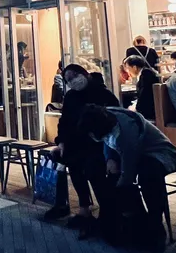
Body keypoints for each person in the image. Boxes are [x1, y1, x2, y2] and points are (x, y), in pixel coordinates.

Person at [80, 105, 176, 251]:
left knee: (148, 176)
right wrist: (110, 159)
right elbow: (108, 141)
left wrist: (120, 184)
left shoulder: (127, 130)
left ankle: (156, 227)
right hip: (136, 155)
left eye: (92, 134)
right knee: (96, 168)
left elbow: (128, 170)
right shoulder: (106, 118)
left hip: (160, 153)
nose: (91, 137)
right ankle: (128, 224)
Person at [42, 63, 119, 228]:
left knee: (94, 171)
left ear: (84, 74)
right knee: (71, 165)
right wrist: (61, 143)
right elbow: (64, 123)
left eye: (75, 76)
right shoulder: (70, 97)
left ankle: (106, 211)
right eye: (68, 79)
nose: (73, 81)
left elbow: (114, 120)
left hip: (100, 144)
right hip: (75, 144)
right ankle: (81, 207)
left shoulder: (103, 93)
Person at [124, 56, 160, 120]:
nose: (127, 71)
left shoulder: (146, 74)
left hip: (151, 112)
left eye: (128, 68)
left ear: (134, 67)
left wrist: (135, 108)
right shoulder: (148, 72)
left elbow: (145, 96)